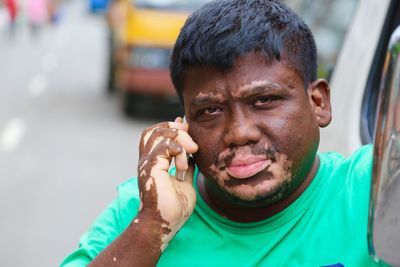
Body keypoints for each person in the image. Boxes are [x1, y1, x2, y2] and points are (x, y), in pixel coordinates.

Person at [61, 0, 378, 266]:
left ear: (318, 102)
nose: (239, 133)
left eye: (264, 101)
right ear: (184, 127)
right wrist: (152, 228)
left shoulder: (372, 189)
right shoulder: (142, 209)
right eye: (210, 111)